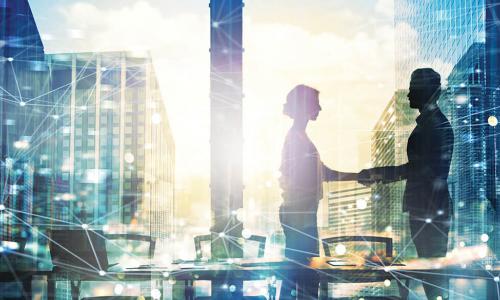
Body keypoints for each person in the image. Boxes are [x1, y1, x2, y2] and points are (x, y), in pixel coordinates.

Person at [358, 68, 454, 300]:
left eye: (413, 88)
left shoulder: (434, 126)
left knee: (433, 278)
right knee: (431, 276)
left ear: (426, 91)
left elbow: (418, 171)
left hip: (429, 211)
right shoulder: (430, 124)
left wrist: (377, 174)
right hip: (428, 209)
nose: (409, 94)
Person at [279, 84, 358, 299]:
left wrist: (358, 176)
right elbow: (310, 176)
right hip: (300, 213)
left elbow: (323, 173)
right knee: (304, 273)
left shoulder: (299, 138)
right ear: (304, 106)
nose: (320, 108)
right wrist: (360, 176)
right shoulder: (297, 139)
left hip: (301, 212)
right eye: (316, 103)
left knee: (299, 272)